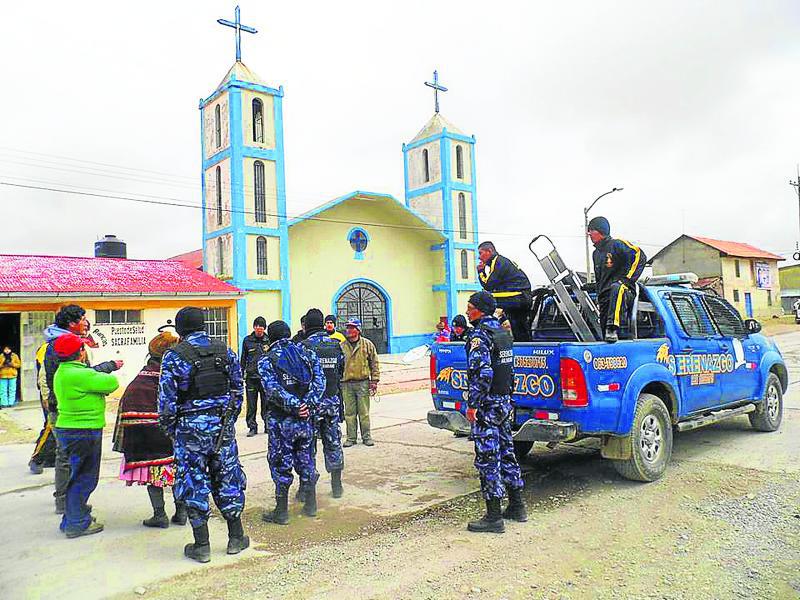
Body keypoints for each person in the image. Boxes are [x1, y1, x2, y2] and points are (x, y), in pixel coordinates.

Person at [158, 307, 248, 563]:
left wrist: (173, 431)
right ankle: (235, 537)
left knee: (193, 481)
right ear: (203, 325)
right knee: (228, 477)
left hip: (189, 431)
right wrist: (228, 420)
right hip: (222, 428)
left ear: (180, 329)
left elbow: (166, 403)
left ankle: (202, 545)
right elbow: (237, 390)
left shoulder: (173, 356)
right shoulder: (225, 350)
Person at [42, 305, 122, 513]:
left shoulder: (67, 344)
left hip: (68, 408)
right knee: (71, 462)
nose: (87, 323)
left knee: (71, 460)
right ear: (71, 323)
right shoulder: (60, 347)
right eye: (83, 319)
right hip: (70, 412)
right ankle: (68, 505)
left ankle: (71, 504)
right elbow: (80, 377)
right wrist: (107, 368)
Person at [464, 291, 527, 533]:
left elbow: (484, 373)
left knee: (488, 457)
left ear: (479, 309)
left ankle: (493, 517)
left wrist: (473, 404)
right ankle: (517, 506)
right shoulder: (503, 333)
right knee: (507, 452)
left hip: (488, 405)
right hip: (503, 402)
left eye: (470, 307)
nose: (467, 312)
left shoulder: (480, 336)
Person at [113, 330, 187, 528]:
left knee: (153, 474)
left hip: (144, 438)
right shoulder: (176, 375)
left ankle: (159, 514)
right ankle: (181, 513)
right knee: (177, 471)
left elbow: (125, 408)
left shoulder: (139, 380)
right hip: (172, 435)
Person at [53, 333, 120, 538]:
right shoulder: (81, 375)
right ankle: (77, 523)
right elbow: (111, 383)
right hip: (84, 430)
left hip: (67, 428)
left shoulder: (62, 372)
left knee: (76, 474)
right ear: (80, 353)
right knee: (85, 477)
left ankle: (73, 515)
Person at [259, 320, 325, 525]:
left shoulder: (267, 360)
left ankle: (281, 512)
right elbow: (320, 382)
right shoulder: (307, 354)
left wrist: (295, 405)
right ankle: (311, 505)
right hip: (305, 420)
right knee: (306, 460)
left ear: (271, 336)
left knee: (280, 464)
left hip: (281, 422)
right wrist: (307, 405)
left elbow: (272, 389)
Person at [301, 309, 346, 498]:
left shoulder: (303, 346)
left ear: (307, 326)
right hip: (331, 401)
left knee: (308, 446)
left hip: (310, 405)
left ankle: (307, 490)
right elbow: (340, 372)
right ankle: (337, 486)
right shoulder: (335, 345)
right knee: (333, 442)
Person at [588, 216, 646, 343]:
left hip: (625, 291)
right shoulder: (596, 254)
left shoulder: (617, 244)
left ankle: (612, 327)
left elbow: (639, 255)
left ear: (600, 231)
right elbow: (600, 278)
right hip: (605, 296)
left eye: (591, 230)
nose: (589, 233)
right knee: (605, 335)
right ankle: (607, 335)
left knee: (617, 287)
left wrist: (627, 280)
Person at [477, 241, 533, 342]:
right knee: (518, 327)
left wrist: (481, 271)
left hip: (519, 295)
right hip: (521, 296)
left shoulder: (498, 261)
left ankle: (482, 332)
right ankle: (524, 345)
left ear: (489, 251)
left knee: (483, 300)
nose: (479, 257)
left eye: (481, 253)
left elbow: (488, 285)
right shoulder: (500, 261)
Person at [340, 318, 380, 447]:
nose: (349, 330)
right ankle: (351, 438)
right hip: (346, 384)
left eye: (352, 328)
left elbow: (374, 363)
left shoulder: (367, 344)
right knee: (349, 413)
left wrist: (374, 380)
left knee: (364, 412)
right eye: (348, 327)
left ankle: (366, 437)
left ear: (358, 330)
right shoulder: (341, 346)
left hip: (362, 382)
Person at [28, 341, 56, 474]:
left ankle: (51, 458)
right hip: (50, 394)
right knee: (50, 425)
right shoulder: (47, 348)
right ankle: (37, 458)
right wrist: (46, 395)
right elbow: (43, 375)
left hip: (63, 392)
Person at [241, 316, 270, 437]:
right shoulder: (247, 340)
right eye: (257, 326)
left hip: (265, 379)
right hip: (251, 378)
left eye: (261, 327)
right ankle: (252, 427)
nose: (259, 329)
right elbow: (243, 359)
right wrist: (241, 373)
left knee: (266, 404)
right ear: (254, 327)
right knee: (251, 404)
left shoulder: (269, 340)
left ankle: (268, 425)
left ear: (264, 328)